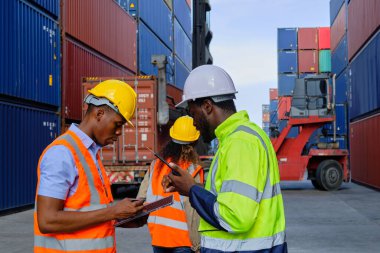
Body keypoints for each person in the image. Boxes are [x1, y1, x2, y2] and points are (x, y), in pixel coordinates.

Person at [163, 65, 287, 253]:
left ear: (207, 106)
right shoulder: (242, 138)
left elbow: (235, 217)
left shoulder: (240, 143)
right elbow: (233, 201)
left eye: (192, 113)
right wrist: (191, 189)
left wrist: (193, 190)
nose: (193, 123)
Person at [34, 79, 145, 253]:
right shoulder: (62, 153)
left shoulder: (91, 154)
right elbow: (47, 220)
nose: (119, 132)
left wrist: (126, 218)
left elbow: (87, 213)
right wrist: (112, 212)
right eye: (118, 124)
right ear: (99, 114)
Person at [137, 116, 204, 253]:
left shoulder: (156, 165)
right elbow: (194, 209)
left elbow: (141, 199)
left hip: (158, 237)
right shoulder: (193, 169)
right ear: (195, 142)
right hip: (184, 240)